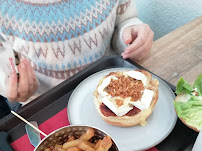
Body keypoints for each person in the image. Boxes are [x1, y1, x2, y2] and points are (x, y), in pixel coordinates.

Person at [0, 0, 154, 111]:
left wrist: (131, 32)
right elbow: (4, 65)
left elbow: (124, 21)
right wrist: (11, 86)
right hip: (47, 104)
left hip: (112, 92)